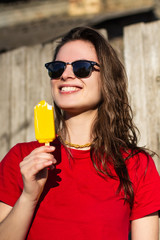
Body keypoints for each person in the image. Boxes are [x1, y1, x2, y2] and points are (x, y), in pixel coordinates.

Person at [0, 26, 160, 240]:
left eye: (82, 68)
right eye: (56, 68)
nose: (65, 75)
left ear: (107, 80)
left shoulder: (136, 165)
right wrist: (29, 196)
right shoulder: (22, 159)